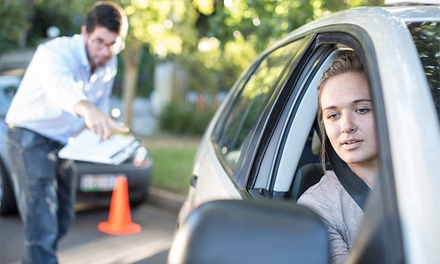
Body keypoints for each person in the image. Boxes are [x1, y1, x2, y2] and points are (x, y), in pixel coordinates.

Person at [5, 2, 129, 263]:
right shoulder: (55, 52)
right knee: (42, 223)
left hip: (64, 141)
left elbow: (101, 104)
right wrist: (88, 110)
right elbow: (62, 90)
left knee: (63, 218)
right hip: (29, 136)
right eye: (99, 42)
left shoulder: (110, 61)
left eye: (113, 44)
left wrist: (104, 130)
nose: (105, 51)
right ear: (85, 32)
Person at [298, 51, 378, 264]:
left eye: (361, 109)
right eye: (333, 115)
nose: (346, 126)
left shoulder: (428, 175)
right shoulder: (317, 207)